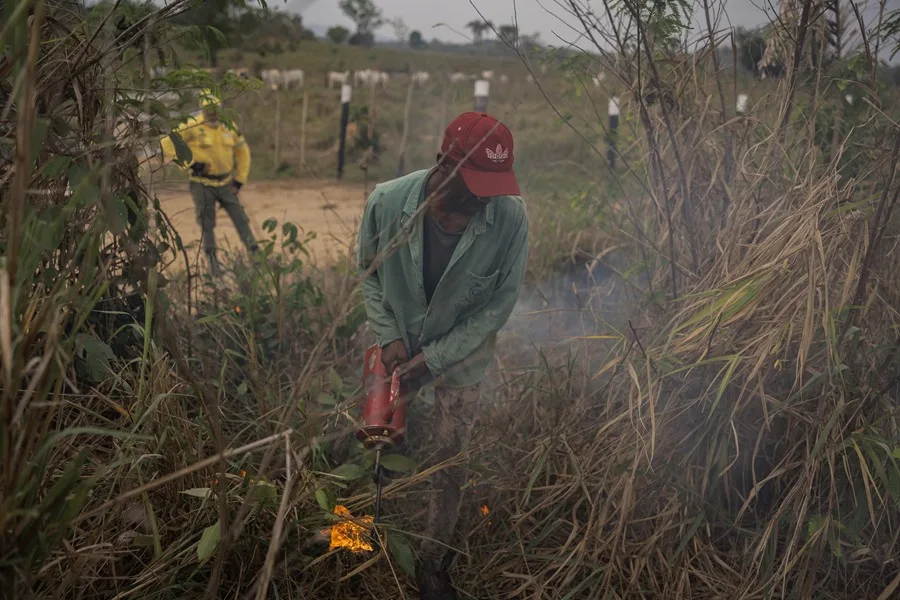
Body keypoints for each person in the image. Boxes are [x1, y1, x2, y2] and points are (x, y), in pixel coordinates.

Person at [356, 112, 529, 599]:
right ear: (441, 165)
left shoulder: (509, 219)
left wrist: (435, 359)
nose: (482, 198)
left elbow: (498, 306)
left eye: (492, 186)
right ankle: (360, 535)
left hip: (462, 357)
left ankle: (432, 563)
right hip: (395, 349)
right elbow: (367, 272)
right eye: (473, 184)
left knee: (450, 459)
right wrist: (389, 335)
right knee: (376, 440)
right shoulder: (387, 202)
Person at [160, 90, 257, 275]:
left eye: (215, 109)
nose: (212, 114)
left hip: (227, 184)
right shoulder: (193, 126)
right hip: (202, 184)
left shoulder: (229, 126)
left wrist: (239, 180)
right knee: (207, 223)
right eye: (208, 110)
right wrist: (190, 163)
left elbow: (243, 152)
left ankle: (258, 258)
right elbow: (166, 143)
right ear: (203, 109)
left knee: (241, 219)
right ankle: (213, 266)